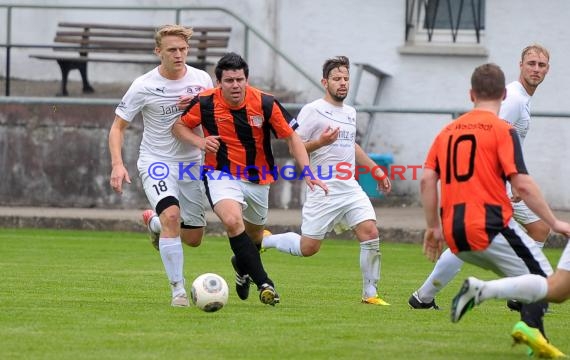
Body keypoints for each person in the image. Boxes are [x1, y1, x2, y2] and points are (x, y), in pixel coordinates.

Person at [420, 63, 570, 357]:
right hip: (490, 226)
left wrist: (432, 227)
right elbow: (523, 185)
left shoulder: (447, 131)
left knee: (530, 279)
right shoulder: (503, 130)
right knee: (547, 283)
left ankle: (535, 341)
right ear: (504, 95)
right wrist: (554, 221)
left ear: (471, 93)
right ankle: (482, 291)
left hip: (455, 234)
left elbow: (427, 179)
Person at [171, 52, 327, 306]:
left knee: (253, 238)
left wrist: (307, 172)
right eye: (229, 80)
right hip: (220, 173)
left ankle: (241, 265)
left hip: (258, 179)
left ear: (247, 79)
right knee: (233, 222)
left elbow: (292, 137)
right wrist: (200, 142)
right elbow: (178, 126)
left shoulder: (265, 102)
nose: (235, 85)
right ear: (218, 82)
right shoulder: (205, 102)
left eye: (240, 80)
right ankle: (265, 283)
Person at [409, 44, 552, 311]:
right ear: (520, 65)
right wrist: (512, 180)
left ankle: (424, 297)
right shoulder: (514, 99)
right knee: (475, 235)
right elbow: (490, 135)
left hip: (501, 180)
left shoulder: (521, 98)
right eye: (531, 63)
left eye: (541, 65)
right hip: (493, 183)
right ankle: (521, 292)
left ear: (548, 70)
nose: (536, 69)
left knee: (534, 228)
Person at [260, 56, 392, 305]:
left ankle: (370, 294)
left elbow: (351, 145)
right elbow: (295, 146)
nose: (342, 83)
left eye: (345, 79)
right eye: (336, 79)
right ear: (325, 82)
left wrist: (375, 170)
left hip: (350, 187)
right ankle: (267, 240)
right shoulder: (312, 110)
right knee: (308, 248)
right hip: (324, 188)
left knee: (370, 231)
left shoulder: (351, 112)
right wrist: (321, 142)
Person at [108, 25, 213, 307]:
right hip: (157, 162)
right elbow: (117, 128)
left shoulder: (202, 79)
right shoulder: (143, 85)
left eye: (183, 49)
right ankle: (178, 291)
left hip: (191, 164)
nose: (179, 55)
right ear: (158, 52)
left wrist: (198, 103)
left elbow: (216, 113)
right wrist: (118, 164)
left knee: (193, 238)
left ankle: (153, 223)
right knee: (171, 216)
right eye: (172, 50)